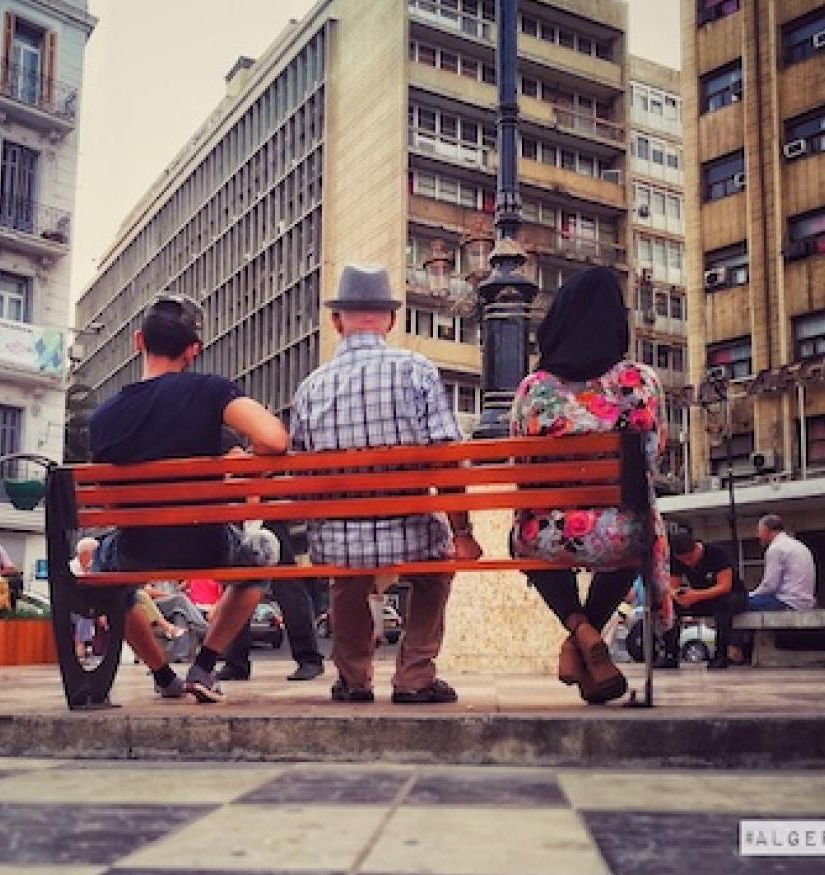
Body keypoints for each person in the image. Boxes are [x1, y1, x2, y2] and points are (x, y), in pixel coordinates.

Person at [291, 263, 481, 705]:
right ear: (390, 320)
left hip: (339, 542)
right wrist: (463, 534)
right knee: (433, 576)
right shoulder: (416, 370)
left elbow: (301, 474)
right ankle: (414, 676)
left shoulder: (310, 387)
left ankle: (355, 680)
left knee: (347, 580)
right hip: (411, 530)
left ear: (338, 322)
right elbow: (445, 458)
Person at [89, 292, 287, 703]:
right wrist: (243, 459)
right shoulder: (209, 392)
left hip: (136, 549)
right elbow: (273, 439)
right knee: (264, 548)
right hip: (206, 544)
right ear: (193, 351)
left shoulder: (104, 417)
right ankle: (203, 667)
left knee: (99, 563)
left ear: (138, 341)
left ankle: (163, 677)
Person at [509, 267, 669, 702]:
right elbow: (653, 457)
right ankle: (589, 634)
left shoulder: (533, 389)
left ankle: (578, 630)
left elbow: (520, 465)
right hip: (621, 533)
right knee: (631, 534)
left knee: (525, 537)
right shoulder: (640, 381)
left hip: (546, 537)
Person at [218, 520, 326, 682]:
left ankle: (308, 657)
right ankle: (235, 660)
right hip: (244, 512)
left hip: (270, 512)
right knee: (239, 583)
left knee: (287, 585)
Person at [667, 525, 746, 669]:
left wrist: (696, 595)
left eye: (690, 558)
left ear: (696, 548)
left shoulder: (717, 553)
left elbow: (725, 586)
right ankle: (669, 654)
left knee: (723, 605)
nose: (688, 563)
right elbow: (672, 586)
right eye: (683, 560)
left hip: (731, 595)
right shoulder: (678, 560)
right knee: (670, 606)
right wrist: (677, 595)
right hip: (701, 596)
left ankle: (721, 655)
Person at [749, 515, 816, 611]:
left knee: (738, 603)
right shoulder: (798, 545)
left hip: (787, 602)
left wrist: (751, 595)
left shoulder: (776, 548)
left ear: (767, 530)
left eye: (759, 531)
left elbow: (770, 586)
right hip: (805, 602)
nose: (758, 536)